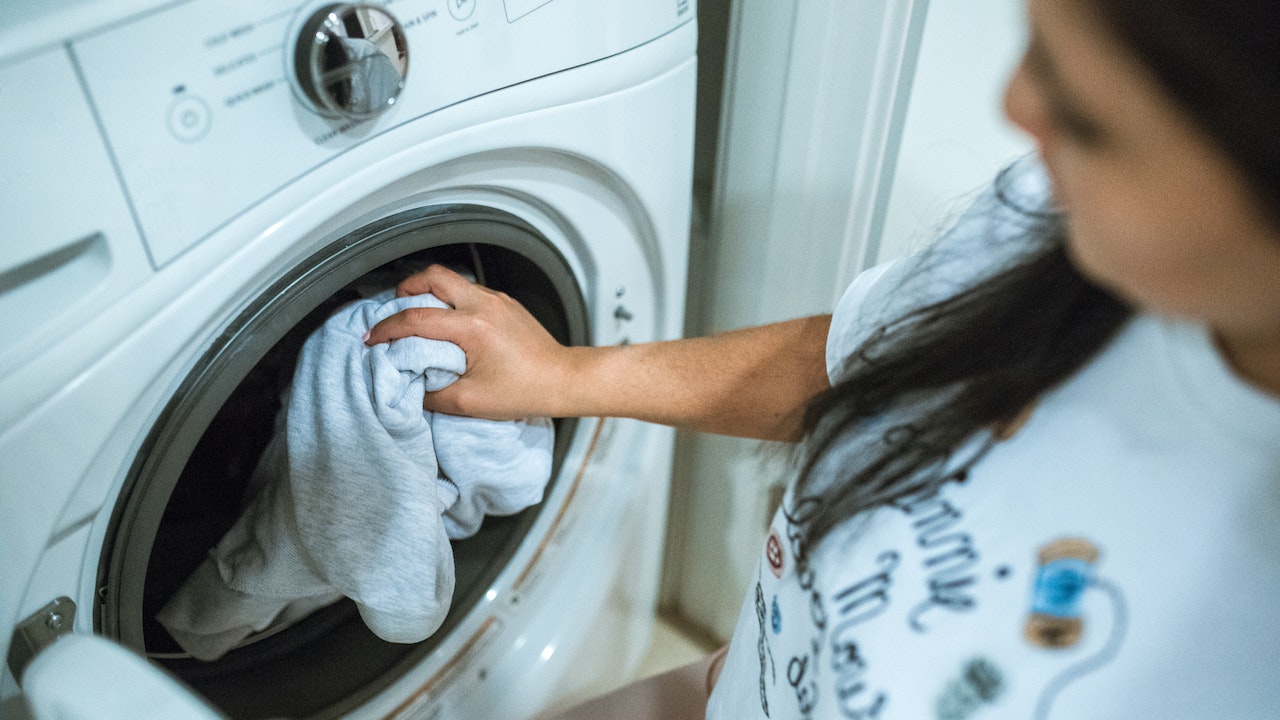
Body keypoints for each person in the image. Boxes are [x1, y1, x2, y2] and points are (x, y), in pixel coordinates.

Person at [366, 0, 1280, 716]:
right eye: (1038, 44)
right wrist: (566, 375)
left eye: (1088, 118)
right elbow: (855, 361)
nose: (1015, 108)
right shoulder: (1044, 230)